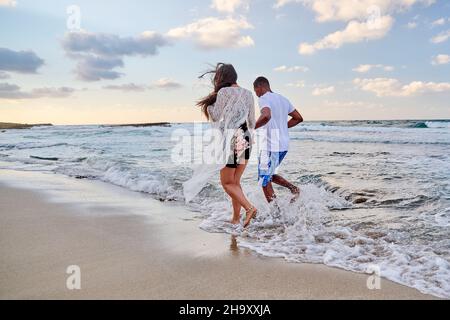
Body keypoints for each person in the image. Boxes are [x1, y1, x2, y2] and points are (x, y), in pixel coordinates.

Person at [183, 63, 258, 227]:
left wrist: (209, 106)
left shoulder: (224, 92)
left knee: (226, 183)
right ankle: (236, 219)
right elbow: (252, 122)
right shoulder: (248, 93)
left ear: (221, 78)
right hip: (246, 138)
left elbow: (216, 117)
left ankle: (250, 208)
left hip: (231, 139)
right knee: (235, 182)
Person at [253, 76, 303, 203]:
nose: (257, 95)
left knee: (264, 180)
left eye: (256, 91)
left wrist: (250, 127)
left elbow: (266, 116)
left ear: (260, 87)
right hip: (283, 145)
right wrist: (282, 127)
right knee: (268, 175)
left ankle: (275, 212)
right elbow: (298, 118)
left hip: (271, 145)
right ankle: (294, 189)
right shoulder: (283, 99)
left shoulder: (264, 98)